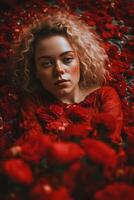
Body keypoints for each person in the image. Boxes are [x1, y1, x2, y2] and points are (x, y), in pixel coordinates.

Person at [12, 8, 123, 143]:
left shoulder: (105, 96)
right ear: (35, 71)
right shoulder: (33, 102)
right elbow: (32, 148)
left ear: (81, 61)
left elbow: (109, 144)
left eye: (67, 60)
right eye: (46, 63)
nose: (59, 70)